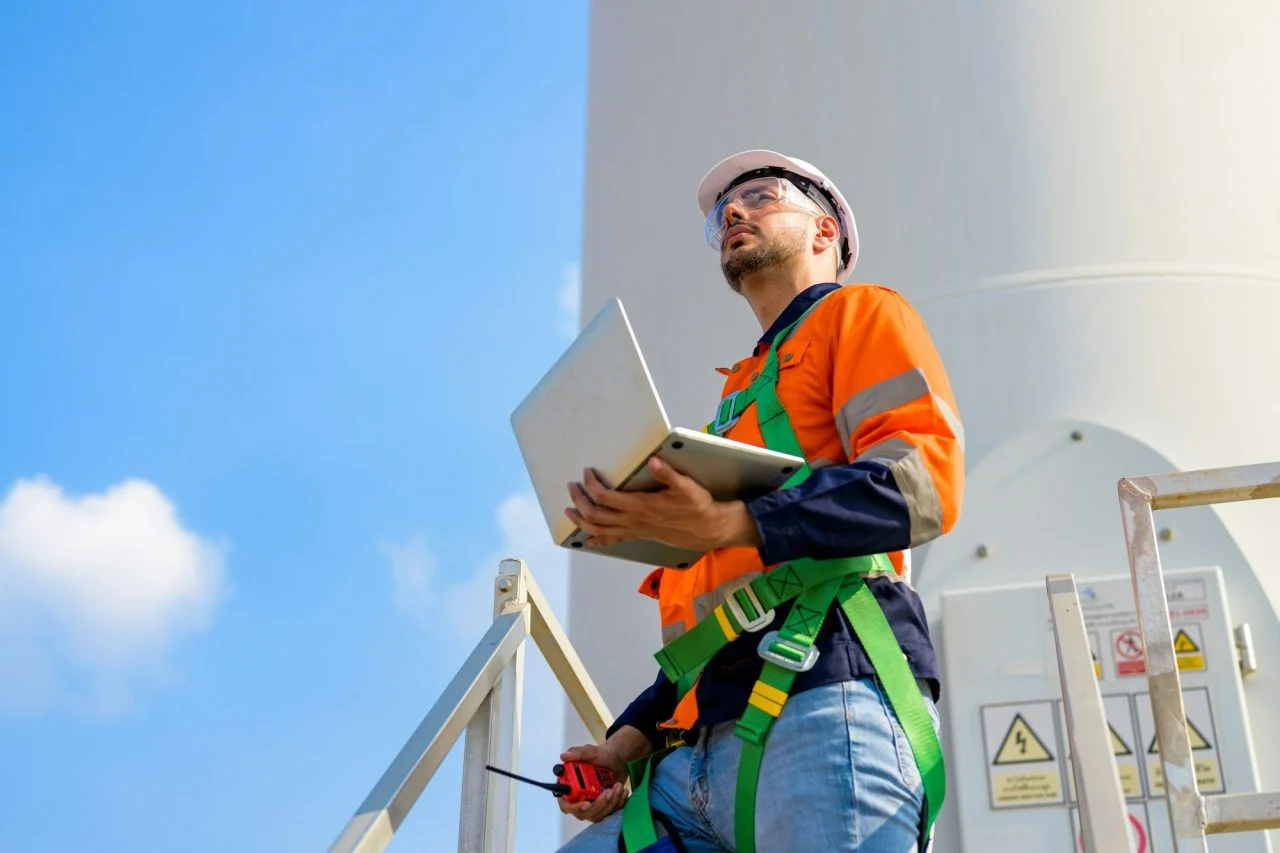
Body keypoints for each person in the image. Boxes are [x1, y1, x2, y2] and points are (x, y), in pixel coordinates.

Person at [555, 150, 965, 852]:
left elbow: (923, 480)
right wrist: (628, 739)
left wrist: (728, 519)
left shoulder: (862, 315)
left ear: (824, 231)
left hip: (824, 705)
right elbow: (724, 615)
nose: (733, 214)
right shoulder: (733, 405)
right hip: (694, 759)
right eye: (722, 213)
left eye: (761, 196)